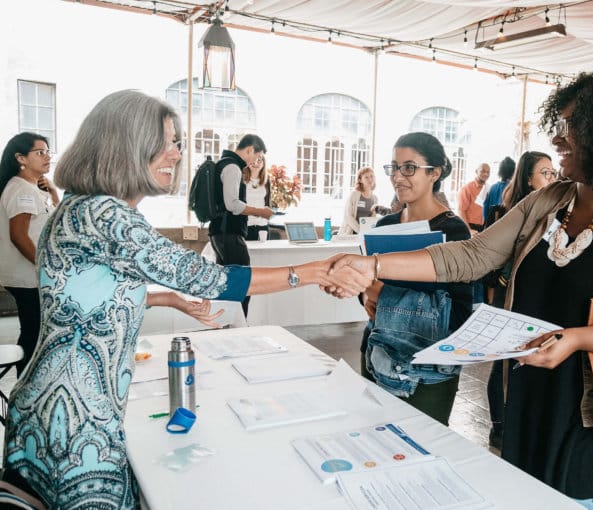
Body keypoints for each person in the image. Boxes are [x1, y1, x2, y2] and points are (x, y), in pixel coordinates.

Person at [331, 65, 593, 508]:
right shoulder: (549, 201)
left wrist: (576, 339)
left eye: (569, 126)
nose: (558, 138)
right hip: (529, 395)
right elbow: (472, 255)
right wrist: (373, 264)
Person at [0, 90, 367, 509]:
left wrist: (166, 300)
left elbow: (87, 301)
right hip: (75, 420)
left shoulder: (80, 207)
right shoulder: (105, 214)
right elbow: (204, 276)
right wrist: (316, 272)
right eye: (170, 141)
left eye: (178, 143)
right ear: (129, 145)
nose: (177, 154)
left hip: (53, 407)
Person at [360, 132, 473, 425]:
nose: (398, 176)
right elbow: (364, 278)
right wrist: (363, 296)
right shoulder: (385, 225)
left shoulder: (454, 232)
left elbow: (458, 313)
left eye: (409, 168)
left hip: (426, 370)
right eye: (394, 167)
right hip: (378, 354)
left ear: (435, 172)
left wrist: (382, 295)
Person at [483, 150, 554, 449]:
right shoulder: (502, 213)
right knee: (502, 362)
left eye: (553, 172)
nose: (552, 178)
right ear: (528, 177)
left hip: (537, 297)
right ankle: (500, 425)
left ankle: (520, 422)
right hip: (506, 295)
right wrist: (490, 303)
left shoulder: (556, 215)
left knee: (526, 359)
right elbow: (486, 263)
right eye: (545, 173)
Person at [0, 132, 59, 375]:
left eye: (48, 152)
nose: (47, 157)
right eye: (40, 152)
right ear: (21, 158)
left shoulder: (34, 189)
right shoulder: (21, 189)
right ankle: (25, 390)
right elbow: (19, 236)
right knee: (34, 333)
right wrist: (42, 267)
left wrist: (54, 193)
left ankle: (29, 386)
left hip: (31, 277)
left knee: (36, 332)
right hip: (27, 278)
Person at [208, 134, 274, 317]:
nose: (256, 161)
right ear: (250, 149)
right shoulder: (233, 167)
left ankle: (225, 323)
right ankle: (240, 325)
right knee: (244, 282)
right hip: (229, 233)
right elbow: (233, 204)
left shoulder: (223, 163)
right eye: (257, 155)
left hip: (219, 233)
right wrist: (261, 212)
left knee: (225, 282)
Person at [340, 166, 378, 234]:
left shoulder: (375, 198)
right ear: (360, 180)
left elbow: (372, 219)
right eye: (366, 177)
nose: (370, 179)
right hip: (350, 233)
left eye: (372, 176)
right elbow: (348, 216)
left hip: (365, 234)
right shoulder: (354, 194)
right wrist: (360, 231)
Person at [243, 153, 271, 241]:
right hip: (245, 225)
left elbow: (267, 202)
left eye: (259, 160)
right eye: (253, 160)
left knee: (263, 254)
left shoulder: (266, 180)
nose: (256, 163)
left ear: (263, 163)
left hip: (262, 226)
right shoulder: (241, 179)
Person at [456, 162, 490, 233]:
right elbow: (461, 211)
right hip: (470, 227)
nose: (486, 174)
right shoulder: (467, 188)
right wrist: (468, 230)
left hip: (484, 228)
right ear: (476, 171)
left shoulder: (489, 188)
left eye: (488, 172)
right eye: (482, 171)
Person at [482, 156, 515, 221]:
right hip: (504, 225)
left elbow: (485, 209)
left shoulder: (492, 188)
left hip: (491, 225)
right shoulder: (513, 188)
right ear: (513, 172)